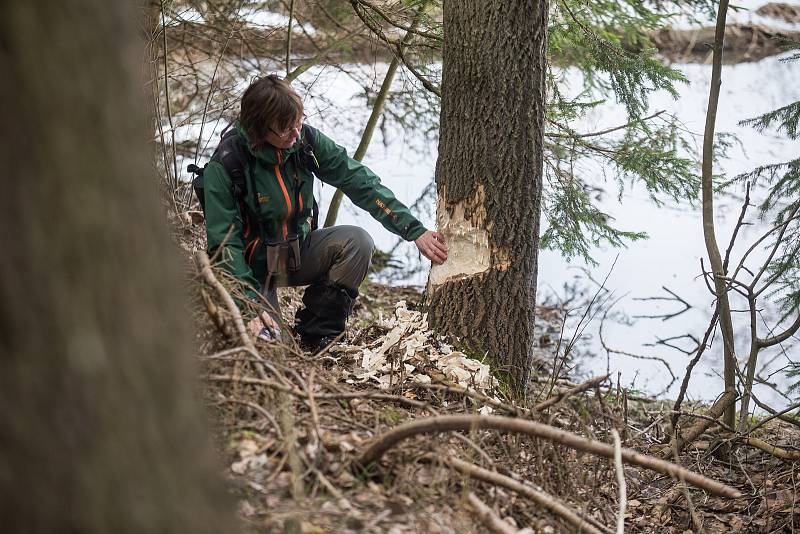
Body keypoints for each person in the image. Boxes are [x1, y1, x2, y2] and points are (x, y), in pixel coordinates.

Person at [203, 75, 448, 350]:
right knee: (272, 349)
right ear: (260, 129)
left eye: (298, 122)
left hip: (297, 253)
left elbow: (358, 181)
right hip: (252, 270)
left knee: (357, 242)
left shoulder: (305, 141)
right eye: (286, 129)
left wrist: (413, 229)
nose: (296, 134)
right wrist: (246, 308)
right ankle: (271, 326)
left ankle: (317, 333)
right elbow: (224, 245)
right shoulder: (227, 164)